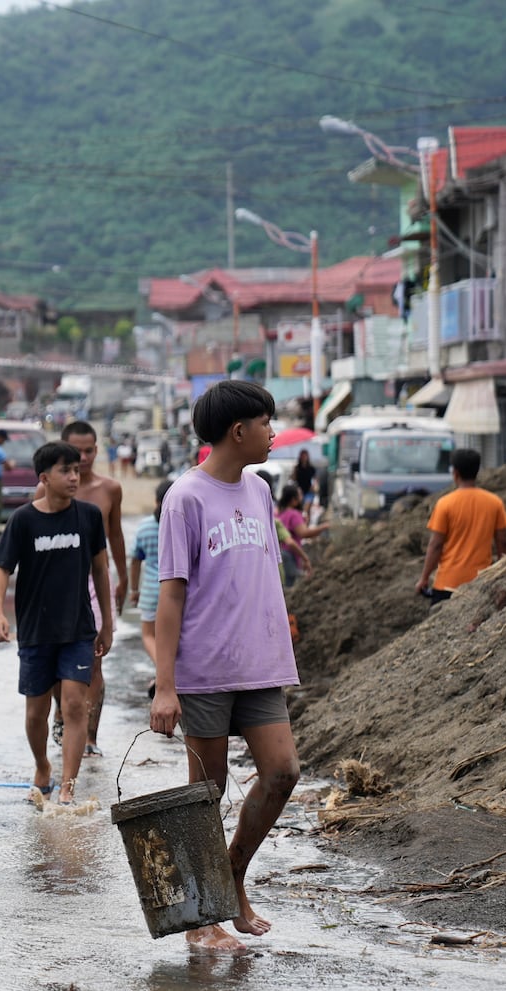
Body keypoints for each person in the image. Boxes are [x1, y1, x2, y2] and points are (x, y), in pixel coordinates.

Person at [150, 380, 301, 956]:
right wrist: (166, 686)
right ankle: (201, 916)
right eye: (266, 423)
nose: (272, 433)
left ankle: (232, 878)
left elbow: (262, 570)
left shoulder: (260, 490)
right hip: (205, 669)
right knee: (204, 793)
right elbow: (171, 595)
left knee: (283, 771)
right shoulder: (185, 497)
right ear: (238, 430)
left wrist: (281, 623)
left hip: (261, 666)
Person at [0, 441, 113, 806]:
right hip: (35, 631)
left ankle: (68, 785)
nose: (74, 476)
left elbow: (101, 570)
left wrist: (105, 623)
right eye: (65, 471)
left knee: (75, 705)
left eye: (77, 470)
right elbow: (1, 570)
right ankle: (43, 766)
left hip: (78, 629)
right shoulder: (24, 520)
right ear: (44, 477)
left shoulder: (89, 516)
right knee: (36, 711)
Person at [43, 420, 127, 757]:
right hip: (57, 586)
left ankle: (89, 737)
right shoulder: (45, 489)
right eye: (76, 451)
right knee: (54, 663)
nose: (84, 457)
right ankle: (63, 711)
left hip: (95, 582)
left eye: (90, 450)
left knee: (94, 661)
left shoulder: (110, 489)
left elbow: (116, 535)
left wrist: (124, 579)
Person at [414, 449, 506, 605]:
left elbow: (436, 545)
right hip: (481, 582)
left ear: (455, 473)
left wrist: (424, 578)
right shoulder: (494, 502)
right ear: (477, 472)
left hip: (447, 584)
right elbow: (502, 542)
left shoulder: (445, 504)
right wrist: (503, 570)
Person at [129, 477, 173, 698]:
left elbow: (136, 560)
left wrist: (134, 590)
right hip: (177, 591)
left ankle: (162, 673)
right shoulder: (182, 523)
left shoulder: (145, 526)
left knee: (149, 635)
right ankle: (167, 673)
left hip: (150, 592)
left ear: (156, 501)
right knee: (175, 636)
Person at [275, 485, 326, 587]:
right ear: (294, 500)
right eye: (300, 495)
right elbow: (303, 533)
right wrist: (323, 527)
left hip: (278, 555)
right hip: (290, 555)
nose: (301, 498)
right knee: (290, 585)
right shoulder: (294, 514)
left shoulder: (278, 514)